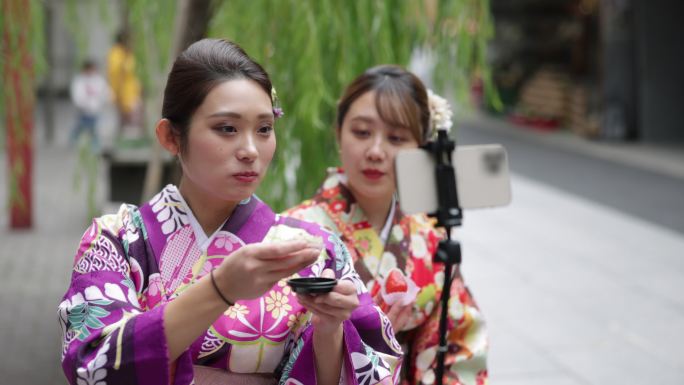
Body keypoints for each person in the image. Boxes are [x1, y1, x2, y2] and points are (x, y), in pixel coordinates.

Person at [58, 39, 403, 385]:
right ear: (171, 137)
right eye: (227, 128)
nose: (251, 150)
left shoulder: (313, 250)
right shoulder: (114, 242)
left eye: (264, 129)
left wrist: (329, 332)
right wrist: (220, 288)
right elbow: (92, 368)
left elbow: (377, 368)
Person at [284, 65, 488, 385]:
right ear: (338, 134)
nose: (376, 151)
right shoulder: (294, 231)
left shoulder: (430, 237)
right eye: (362, 132)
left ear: (419, 147)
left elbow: (459, 345)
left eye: (396, 138)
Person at [107, 29, 143, 139]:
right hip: (124, 93)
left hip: (132, 91)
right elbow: (116, 73)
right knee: (128, 119)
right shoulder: (116, 53)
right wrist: (116, 93)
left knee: (133, 120)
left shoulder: (128, 53)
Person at [69, 59, 110, 150]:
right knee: (82, 126)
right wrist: (83, 104)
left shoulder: (99, 80)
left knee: (92, 128)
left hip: (95, 109)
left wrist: (102, 101)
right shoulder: (80, 81)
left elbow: (104, 93)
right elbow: (77, 95)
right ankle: (75, 139)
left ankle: (94, 145)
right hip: (83, 110)